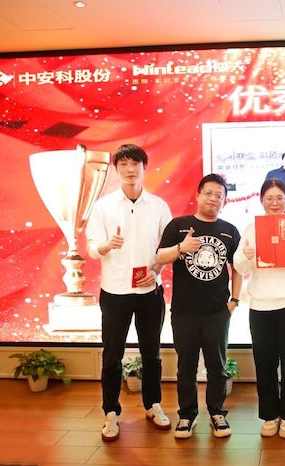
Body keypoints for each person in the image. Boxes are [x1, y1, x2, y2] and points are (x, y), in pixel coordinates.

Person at [85, 143, 173, 442]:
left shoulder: (158, 205)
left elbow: (167, 247)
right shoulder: (104, 206)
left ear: (144, 167)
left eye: (135, 163)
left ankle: (153, 405)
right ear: (116, 169)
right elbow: (91, 246)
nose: (130, 169)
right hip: (115, 291)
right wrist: (107, 246)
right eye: (123, 164)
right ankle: (110, 412)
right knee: (112, 355)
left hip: (150, 291)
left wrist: (157, 271)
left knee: (152, 353)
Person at [156, 173, 242, 439]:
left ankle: (217, 413)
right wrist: (181, 248)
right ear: (197, 195)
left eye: (219, 195)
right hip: (184, 311)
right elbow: (160, 257)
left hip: (217, 311)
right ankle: (187, 415)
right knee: (186, 367)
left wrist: (235, 301)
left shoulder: (230, 230)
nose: (213, 199)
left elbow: (238, 267)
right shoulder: (179, 225)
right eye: (209, 193)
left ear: (224, 201)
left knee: (218, 367)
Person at [232, 179, 285, 439]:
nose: (275, 203)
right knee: (264, 363)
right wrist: (246, 255)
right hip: (260, 305)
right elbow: (239, 266)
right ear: (262, 201)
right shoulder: (251, 229)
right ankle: (269, 415)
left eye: (279, 198)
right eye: (269, 198)